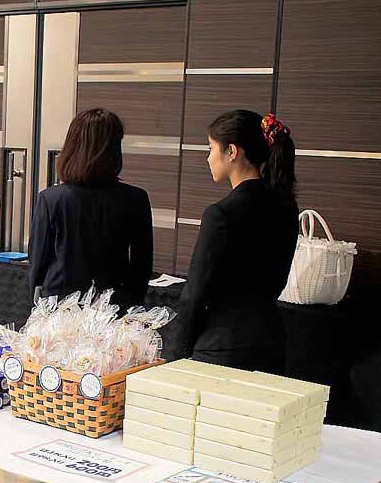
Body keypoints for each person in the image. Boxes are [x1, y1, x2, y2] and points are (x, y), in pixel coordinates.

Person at [169, 110, 299, 373]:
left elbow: (195, 294)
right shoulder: (287, 207)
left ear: (231, 151)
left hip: (221, 348)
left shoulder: (220, 214)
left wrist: (175, 353)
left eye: (211, 148)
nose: (208, 157)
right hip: (271, 342)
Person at [28, 108, 152, 309]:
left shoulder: (51, 199)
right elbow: (142, 267)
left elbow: (37, 265)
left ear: (72, 147)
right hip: (114, 308)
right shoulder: (136, 199)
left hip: (60, 307)